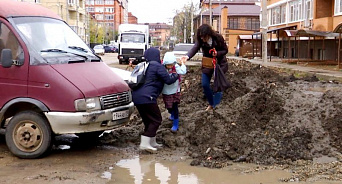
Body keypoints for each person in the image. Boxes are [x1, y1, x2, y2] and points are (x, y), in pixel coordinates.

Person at [132, 47, 179, 152]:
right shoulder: (157, 66)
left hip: (137, 97)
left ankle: (151, 142)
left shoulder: (143, 65)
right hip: (148, 97)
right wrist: (177, 75)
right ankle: (144, 144)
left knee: (148, 121)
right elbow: (168, 80)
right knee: (157, 119)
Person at [181, 24, 228, 111]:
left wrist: (217, 53)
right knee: (205, 84)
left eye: (204, 37)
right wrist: (187, 56)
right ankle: (211, 104)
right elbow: (195, 48)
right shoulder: (201, 40)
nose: (202, 39)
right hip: (207, 64)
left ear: (209, 34)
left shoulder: (218, 38)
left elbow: (225, 50)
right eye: (201, 37)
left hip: (219, 65)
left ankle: (216, 106)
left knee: (218, 85)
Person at [161, 52, 187, 133]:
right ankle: (171, 113)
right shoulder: (162, 68)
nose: (170, 66)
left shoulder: (175, 67)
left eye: (171, 64)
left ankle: (176, 123)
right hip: (166, 91)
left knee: (175, 107)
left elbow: (183, 71)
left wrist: (182, 63)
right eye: (168, 65)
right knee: (169, 107)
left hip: (175, 91)